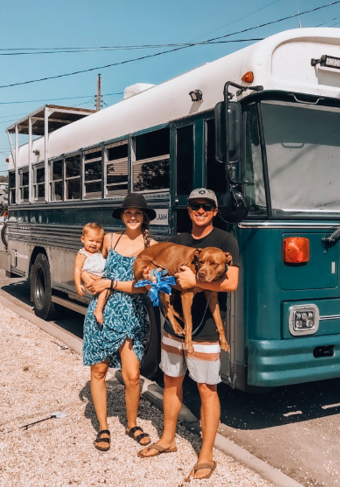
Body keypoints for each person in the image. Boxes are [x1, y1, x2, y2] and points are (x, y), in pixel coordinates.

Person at [139, 188, 240, 482]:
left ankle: (206, 455)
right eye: (195, 205)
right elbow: (161, 272)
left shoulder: (224, 240)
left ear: (214, 211)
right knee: (171, 383)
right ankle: (168, 439)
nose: (200, 210)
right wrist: (150, 277)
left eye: (206, 206)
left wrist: (195, 278)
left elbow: (232, 283)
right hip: (174, 329)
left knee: (208, 389)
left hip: (205, 331)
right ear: (189, 210)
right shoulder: (179, 241)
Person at [82, 193, 157, 452]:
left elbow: (146, 287)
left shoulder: (152, 247)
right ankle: (103, 427)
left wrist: (111, 283)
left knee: (132, 376)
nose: (133, 217)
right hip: (102, 313)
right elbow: (92, 263)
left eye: (138, 213)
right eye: (128, 213)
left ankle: (132, 423)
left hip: (132, 315)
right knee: (99, 371)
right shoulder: (110, 239)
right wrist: (86, 279)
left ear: (144, 217)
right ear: (122, 216)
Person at [74, 222, 108, 324]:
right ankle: (98, 310)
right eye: (91, 240)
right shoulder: (82, 254)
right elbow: (77, 269)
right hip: (92, 280)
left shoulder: (100, 252)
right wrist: (78, 284)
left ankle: (100, 309)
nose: (94, 244)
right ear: (83, 239)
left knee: (107, 290)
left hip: (102, 277)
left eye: (98, 242)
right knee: (105, 290)